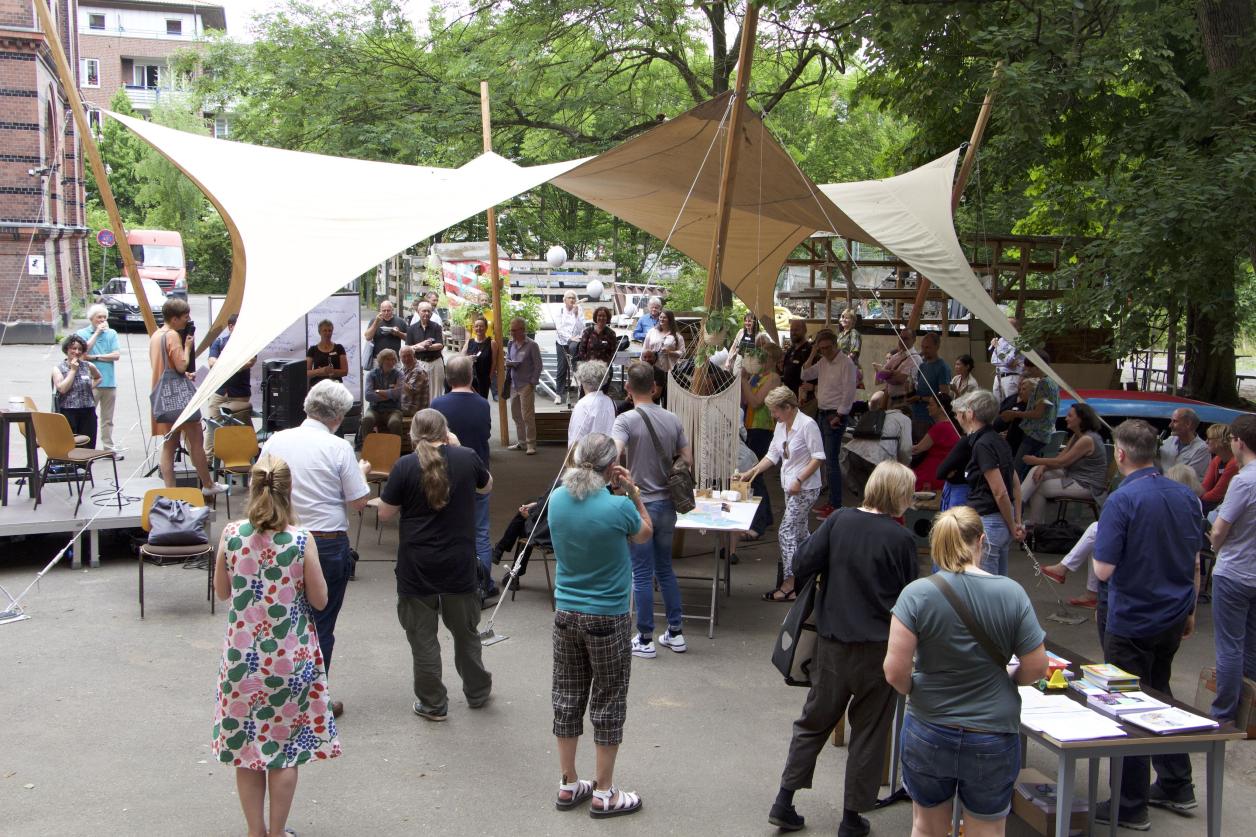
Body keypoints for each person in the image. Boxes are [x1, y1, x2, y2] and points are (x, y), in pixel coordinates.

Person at [769, 461, 918, 836]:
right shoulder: (900, 540)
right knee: (870, 732)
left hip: (833, 643)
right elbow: (911, 598)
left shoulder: (839, 521)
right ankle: (851, 818)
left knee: (813, 721)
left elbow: (802, 561)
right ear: (898, 495)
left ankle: (784, 800)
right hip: (880, 650)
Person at [884, 506, 1048, 837]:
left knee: (926, 827)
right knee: (987, 829)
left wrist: (917, 689)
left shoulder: (916, 594)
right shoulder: (1011, 593)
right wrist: (1009, 682)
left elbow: (894, 671)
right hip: (992, 732)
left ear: (936, 543)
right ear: (982, 541)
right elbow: (1036, 666)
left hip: (930, 725)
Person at [211, 455, 338, 837]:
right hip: (289, 660)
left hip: (241, 660)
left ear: (251, 488)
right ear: (289, 490)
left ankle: (256, 832)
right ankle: (279, 833)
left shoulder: (231, 533)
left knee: (247, 751)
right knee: (284, 753)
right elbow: (319, 600)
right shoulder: (300, 539)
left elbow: (221, 592)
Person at [1089, 418, 1202, 829]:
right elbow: (1194, 558)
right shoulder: (1185, 495)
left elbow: (1103, 569)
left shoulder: (1122, 498)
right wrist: (1190, 609)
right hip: (1172, 613)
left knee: (1128, 705)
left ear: (1119, 454)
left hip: (1132, 616)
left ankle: (1128, 803)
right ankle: (1175, 781)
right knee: (1158, 694)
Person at [546, 433, 652, 818]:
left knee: (567, 695)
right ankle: (604, 790)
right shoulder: (617, 506)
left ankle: (568, 781)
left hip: (566, 611)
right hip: (607, 615)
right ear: (612, 468)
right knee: (609, 698)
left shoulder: (557, 500)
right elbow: (645, 532)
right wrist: (633, 492)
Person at [372, 409, 493, 721]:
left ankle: (433, 703)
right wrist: (458, 444)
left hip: (417, 566)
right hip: (459, 563)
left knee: (423, 639)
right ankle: (477, 692)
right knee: (467, 633)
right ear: (445, 431)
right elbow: (486, 486)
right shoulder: (466, 458)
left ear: (412, 434)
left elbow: (385, 514)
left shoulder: (405, 466)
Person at [260, 379, 371, 717]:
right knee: (321, 623)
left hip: (281, 536)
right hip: (325, 541)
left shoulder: (277, 440)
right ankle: (312, 699)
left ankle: (278, 689)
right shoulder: (338, 448)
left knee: (280, 619)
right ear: (338, 417)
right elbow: (359, 502)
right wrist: (362, 472)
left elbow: (260, 485)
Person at [612, 361, 692, 659]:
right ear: (655, 388)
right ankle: (675, 632)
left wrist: (620, 479)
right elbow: (687, 458)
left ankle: (644, 637)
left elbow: (614, 451)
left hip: (638, 504)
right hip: (667, 504)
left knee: (641, 573)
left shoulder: (625, 420)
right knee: (665, 570)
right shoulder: (673, 419)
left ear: (629, 389)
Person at [734, 386, 825, 603]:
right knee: (800, 532)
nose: (773, 416)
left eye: (776, 411)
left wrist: (800, 479)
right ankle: (816, 570)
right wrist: (751, 472)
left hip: (805, 487)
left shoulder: (807, 425)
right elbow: (773, 454)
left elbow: (818, 457)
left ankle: (790, 583)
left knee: (786, 531)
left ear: (788, 407)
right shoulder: (783, 425)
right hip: (790, 485)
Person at [432, 355, 495, 597]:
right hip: (477, 473)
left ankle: (449, 581)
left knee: (447, 529)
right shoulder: (482, 404)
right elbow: (486, 433)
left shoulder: (438, 405)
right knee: (480, 531)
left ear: (448, 378)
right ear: (471, 377)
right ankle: (483, 583)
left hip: (445, 475)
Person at [149, 297, 225, 494]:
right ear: (174, 319)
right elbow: (182, 364)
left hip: (163, 396)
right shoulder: (173, 335)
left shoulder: (157, 335)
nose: (187, 321)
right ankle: (208, 485)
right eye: (184, 317)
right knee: (196, 439)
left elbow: (168, 367)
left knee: (169, 445)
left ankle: (171, 491)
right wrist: (188, 347)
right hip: (179, 399)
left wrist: (182, 373)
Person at [1209, 414, 1256, 726]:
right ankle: (1249, 708)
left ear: (1238, 442)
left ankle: (1224, 712)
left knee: (1229, 645)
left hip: (1235, 569)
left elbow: (1220, 528)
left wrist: (1213, 543)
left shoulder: (1243, 480)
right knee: (1251, 641)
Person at [954, 388, 1024, 576]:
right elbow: (1015, 484)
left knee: (987, 582)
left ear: (971, 413)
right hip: (999, 520)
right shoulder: (998, 440)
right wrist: (1016, 520)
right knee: (998, 579)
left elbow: (1000, 490)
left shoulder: (983, 444)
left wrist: (1013, 524)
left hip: (990, 521)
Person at [1019, 402, 1108, 527]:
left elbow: (1062, 462)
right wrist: (1042, 467)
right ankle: (1017, 504)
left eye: (1070, 416)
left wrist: (1037, 460)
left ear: (1081, 419)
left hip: (1088, 485)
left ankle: (1035, 525)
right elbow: (1060, 458)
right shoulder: (1078, 436)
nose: (1066, 418)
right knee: (1036, 472)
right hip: (1074, 475)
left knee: (1040, 487)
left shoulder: (1087, 439)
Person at [800, 329, 857, 517]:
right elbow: (805, 374)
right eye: (821, 348)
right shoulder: (823, 361)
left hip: (834, 415)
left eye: (827, 348)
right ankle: (832, 501)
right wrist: (813, 352)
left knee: (831, 461)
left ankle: (835, 504)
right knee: (825, 459)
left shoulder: (846, 363)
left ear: (835, 345)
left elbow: (849, 392)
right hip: (823, 413)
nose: (825, 351)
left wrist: (840, 415)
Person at [741, 340, 783, 539]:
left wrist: (742, 381)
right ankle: (765, 518)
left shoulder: (773, 378)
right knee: (754, 475)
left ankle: (759, 523)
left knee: (755, 475)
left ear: (772, 359)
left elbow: (756, 402)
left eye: (763, 357)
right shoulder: (756, 376)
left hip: (763, 428)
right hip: (750, 426)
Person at [840, 390, 913, 498]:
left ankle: (865, 510)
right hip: (877, 457)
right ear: (908, 414)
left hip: (855, 453)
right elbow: (905, 448)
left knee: (865, 496)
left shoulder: (880, 415)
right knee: (880, 497)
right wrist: (904, 466)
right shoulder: (905, 419)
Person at [205, 313, 255, 461]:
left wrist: (225, 365)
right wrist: (234, 364)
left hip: (240, 393)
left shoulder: (249, 343)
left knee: (241, 427)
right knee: (213, 425)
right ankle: (208, 460)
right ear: (230, 327)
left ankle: (245, 458)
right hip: (220, 392)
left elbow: (250, 361)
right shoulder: (219, 341)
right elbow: (212, 362)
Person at [77, 304, 121, 453]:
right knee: (88, 417)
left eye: (104, 317)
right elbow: (83, 352)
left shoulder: (112, 334)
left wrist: (95, 357)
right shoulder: (82, 333)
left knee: (107, 419)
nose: (102, 320)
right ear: (91, 319)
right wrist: (96, 334)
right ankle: (87, 448)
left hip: (109, 382)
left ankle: (108, 448)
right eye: (99, 317)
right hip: (90, 382)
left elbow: (116, 355)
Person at [1012, 354, 1059, 479]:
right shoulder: (1053, 383)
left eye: (1028, 368)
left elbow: (1038, 413)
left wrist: (1015, 414)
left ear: (1036, 367)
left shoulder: (1043, 384)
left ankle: (1016, 496)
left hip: (1035, 433)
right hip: (1044, 433)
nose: (1027, 371)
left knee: (1017, 469)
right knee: (1026, 469)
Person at [51, 334, 100, 448]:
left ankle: (86, 466)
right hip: (68, 412)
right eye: (73, 348)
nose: (77, 352)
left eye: (80, 349)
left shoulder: (88, 366)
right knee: (70, 446)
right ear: (67, 350)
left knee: (88, 446)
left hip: (88, 411)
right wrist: (73, 371)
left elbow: (98, 377)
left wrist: (88, 387)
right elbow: (62, 389)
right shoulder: (59, 368)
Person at [505, 317, 542, 455]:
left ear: (522, 330)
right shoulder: (510, 343)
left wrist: (532, 382)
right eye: (511, 330)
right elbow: (508, 358)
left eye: (514, 330)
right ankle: (521, 442)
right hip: (514, 384)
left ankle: (531, 444)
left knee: (527, 416)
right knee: (516, 415)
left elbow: (538, 365)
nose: (512, 333)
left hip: (526, 384)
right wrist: (508, 362)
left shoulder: (532, 345)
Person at [911, 393, 960, 492]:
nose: (927, 407)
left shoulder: (940, 427)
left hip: (933, 471)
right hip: (943, 469)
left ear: (941, 408)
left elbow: (917, 449)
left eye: (931, 404)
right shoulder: (951, 425)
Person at [568, 360, 615, 449]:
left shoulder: (583, 404)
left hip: (587, 455)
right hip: (608, 454)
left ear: (582, 380)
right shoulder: (610, 401)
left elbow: (576, 437)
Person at [908, 332, 951, 429]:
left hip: (930, 419)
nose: (924, 350)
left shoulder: (942, 367)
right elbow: (919, 387)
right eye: (923, 347)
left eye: (927, 347)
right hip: (916, 414)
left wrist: (920, 398)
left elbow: (944, 398)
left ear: (937, 346)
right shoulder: (922, 365)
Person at [359, 348, 404, 439]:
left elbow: (398, 393)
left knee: (395, 423)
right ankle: (367, 448)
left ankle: (396, 451)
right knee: (367, 420)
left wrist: (379, 391)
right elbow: (368, 395)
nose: (391, 362)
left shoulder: (399, 374)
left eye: (393, 359)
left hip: (393, 409)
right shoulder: (372, 375)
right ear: (381, 360)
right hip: (375, 409)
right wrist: (390, 395)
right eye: (388, 359)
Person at [406, 301, 445, 401]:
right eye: (424, 311)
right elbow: (407, 348)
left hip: (435, 362)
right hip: (419, 363)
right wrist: (420, 345)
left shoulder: (436, 327)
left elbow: (440, 345)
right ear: (418, 312)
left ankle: (436, 412)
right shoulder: (411, 329)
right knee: (420, 391)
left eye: (429, 311)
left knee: (437, 391)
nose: (426, 313)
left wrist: (427, 347)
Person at [1160, 407, 1210, 480]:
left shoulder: (1202, 449)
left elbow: (1187, 479)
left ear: (1188, 424)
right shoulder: (1169, 440)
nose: (1170, 425)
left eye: (1175, 421)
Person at [874, 327, 919, 406]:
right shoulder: (895, 357)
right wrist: (892, 373)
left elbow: (899, 380)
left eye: (906, 338)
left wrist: (886, 374)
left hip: (905, 401)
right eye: (900, 338)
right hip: (891, 400)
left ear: (914, 340)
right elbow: (879, 378)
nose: (902, 341)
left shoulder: (915, 358)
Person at [553, 290, 584, 405]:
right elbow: (559, 328)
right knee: (561, 368)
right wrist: (570, 337)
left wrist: (576, 315)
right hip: (562, 341)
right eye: (569, 298)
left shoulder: (579, 310)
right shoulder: (560, 310)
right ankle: (558, 394)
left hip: (575, 341)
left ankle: (576, 381)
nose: (572, 300)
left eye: (574, 298)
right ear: (564, 300)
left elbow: (582, 327)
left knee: (577, 360)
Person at [1201, 422, 1239, 513]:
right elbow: (1205, 486)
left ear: (1220, 441)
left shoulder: (1234, 463)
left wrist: (1196, 500)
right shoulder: (1217, 459)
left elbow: (1217, 494)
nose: (1206, 441)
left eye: (1209, 439)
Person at [641, 309, 685, 374]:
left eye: (664, 317)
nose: (662, 319)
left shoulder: (677, 336)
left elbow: (682, 352)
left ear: (670, 319)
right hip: (652, 368)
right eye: (660, 317)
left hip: (670, 370)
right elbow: (644, 349)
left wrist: (670, 352)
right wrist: (642, 365)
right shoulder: (652, 332)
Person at [989, 319, 1024, 400]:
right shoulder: (1001, 340)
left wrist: (997, 347)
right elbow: (993, 360)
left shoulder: (1018, 341)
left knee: (1010, 404)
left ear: (1015, 328)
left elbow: (1008, 360)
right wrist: (1007, 362)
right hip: (998, 377)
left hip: (1011, 377)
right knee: (997, 406)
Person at [780, 319, 813, 402]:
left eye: (796, 330)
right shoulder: (790, 350)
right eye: (791, 330)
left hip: (802, 398)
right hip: (788, 397)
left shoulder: (810, 350)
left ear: (805, 330)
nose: (793, 332)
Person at [364, 298, 405, 366]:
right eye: (384, 311)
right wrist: (376, 322)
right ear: (380, 311)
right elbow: (368, 337)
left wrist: (398, 333)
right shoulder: (374, 320)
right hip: (378, 360)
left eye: (388, 310)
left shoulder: (400, 321)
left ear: (392, 310)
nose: (386, 313)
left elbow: (408, 338)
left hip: (394, 360)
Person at [463, 315, 496, 399]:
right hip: (469, 378)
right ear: (474, 328)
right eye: (476, 326)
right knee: (469, 401)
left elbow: (494, 361)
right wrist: (469, 358)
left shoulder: (492, 343)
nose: (478, 328)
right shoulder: (469, 342)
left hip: (484, 378)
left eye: (481, 326)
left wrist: (490, 377)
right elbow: (460, 358)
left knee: (482, 400)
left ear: (486, 328)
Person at [396, 345, 431, 420]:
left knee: (386, 410)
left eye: (409, 356)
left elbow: (410, 391)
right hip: (406, 405)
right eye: (403, 356)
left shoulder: (418, 371)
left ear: (414, 355)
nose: (406, 359)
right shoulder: (404, 368)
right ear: (400, 358)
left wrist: (397, 380)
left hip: (414, 409)